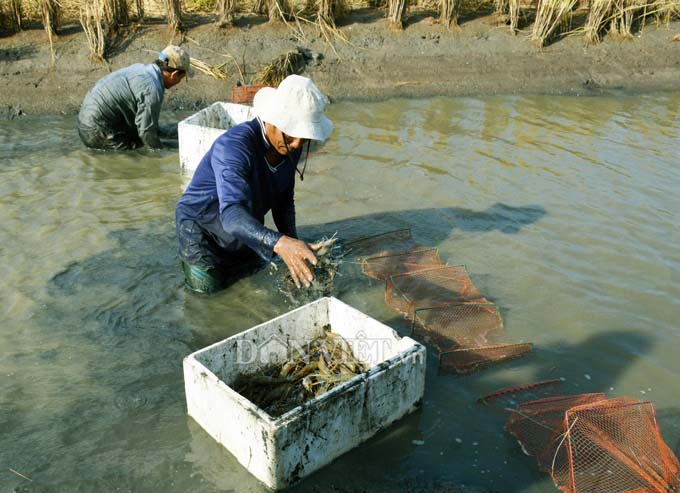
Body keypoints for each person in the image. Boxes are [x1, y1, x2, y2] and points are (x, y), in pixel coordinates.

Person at [175, 75, 333, 294]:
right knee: (207, 300)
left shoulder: (290, 147)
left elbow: (283, 200)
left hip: (245, 229)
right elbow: (231, 216)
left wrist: (295, 246)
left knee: (250, 287)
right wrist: (280, 243)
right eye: (291, 135)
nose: (297, 144)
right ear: (273, 120)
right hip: (202, 230)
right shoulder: (233, 147)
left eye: (304, 137)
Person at [77, 45, 192, 150]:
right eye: (180, 79)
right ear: (174, 74)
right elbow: (146, 132)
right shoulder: (152, 90)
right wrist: (161, 153)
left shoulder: (141, 69)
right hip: (96, 131)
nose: (178, 83)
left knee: (152, 132)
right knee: (138, 150)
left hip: (84, 122)